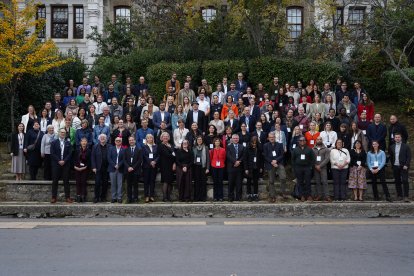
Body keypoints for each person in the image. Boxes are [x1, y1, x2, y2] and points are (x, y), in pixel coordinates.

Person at [50, 128, 73, 203]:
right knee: (55, 181)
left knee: (66, 181)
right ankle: (53, 197)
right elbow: (52, 153)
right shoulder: (54, 142)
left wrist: (64, 161)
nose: (63, 134)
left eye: (64, 133)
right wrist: (59, 161)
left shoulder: (68, 143)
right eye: (61, 132)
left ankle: (68, 197)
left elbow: (70, 154)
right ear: (59, 133)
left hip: (65, 164)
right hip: (56, 164)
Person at [263, 132, 286, 202]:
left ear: (275, 137)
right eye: (270, 137)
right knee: (271, 181)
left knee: (283, 177)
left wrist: (276, 161)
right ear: (268, 138)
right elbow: (265, 155)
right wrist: (272, 162)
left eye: (273, 137)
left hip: (278, 163)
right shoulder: (265, 145)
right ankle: (272, 195)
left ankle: (283, 192)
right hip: (270, 164)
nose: (271, 138)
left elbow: (282, 155)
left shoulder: (279, 145)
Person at [291, 136, 315, 202]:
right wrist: (294, 168)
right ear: (298, 142)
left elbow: (313, 159)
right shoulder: (295, 149)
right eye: (300, 140)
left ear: (305, 141)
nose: (302, 142)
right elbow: (293, 160)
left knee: (308, 182)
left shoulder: (309, 149)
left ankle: (308, 195)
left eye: (303, 140)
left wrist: (310, 167)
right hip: (298, 168)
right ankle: (301, 196)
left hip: (307, 167)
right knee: (300, 182)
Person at [389, 133, 411, 202]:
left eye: (399, 137)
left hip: (403, 166)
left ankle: (406, 196)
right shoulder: (392, 146)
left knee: (405, 180)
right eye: (396, 137)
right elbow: (391, 157)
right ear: (394, 138)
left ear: (401, 138)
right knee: (397, 181)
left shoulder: (406, 146)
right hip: (395, 166)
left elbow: (409, 156)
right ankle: (399, 196)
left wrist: (406, 165)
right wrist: (392, 165)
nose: (397, 138)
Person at [91, 134, 111, 203]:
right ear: (99, 139)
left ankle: (103, 197)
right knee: (97, 183)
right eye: (101, 138)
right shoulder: (95, 147)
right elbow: (93, 158)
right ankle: (96, 197)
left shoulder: (109, 146)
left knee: (105, 183)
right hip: (98, 168)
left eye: (104, 138)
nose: (102, 139)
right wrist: (93, 167)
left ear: (106, 139)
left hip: (106, 168)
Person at [226, 134, 246, 202]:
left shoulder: (242, 147)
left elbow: (243, 156)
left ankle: (238, 197)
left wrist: (239, 162)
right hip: (231, 167)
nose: (235, 139)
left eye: (237, 138)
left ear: (238, 139)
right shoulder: (228, 147)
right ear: (232, 139)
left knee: (239, 183)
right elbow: (228, 155)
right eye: (234, 138)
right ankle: (230, 197)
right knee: (231, 183)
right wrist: (235, 162)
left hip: (239, 167)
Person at [124, 136, 142, 203]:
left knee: (135, 185)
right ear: (128, 141)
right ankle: (129, 198)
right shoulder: (126, 150)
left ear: (135, 141)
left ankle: (135, 198)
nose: (131, 141)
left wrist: (133, 167)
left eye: (132, 140)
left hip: (136, 170)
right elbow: (124, 160)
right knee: (128, 185)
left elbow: (140, 160)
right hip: (128, 170)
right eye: (130, 140)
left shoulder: (139, 150)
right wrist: (128, 167)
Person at [158, 132, 176, 202]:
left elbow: (174, 154)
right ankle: (164, 197)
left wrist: (174, 162)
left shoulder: (171, 145)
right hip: (164, 165)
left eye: (167, 136)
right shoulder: (161, 145)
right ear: (162, 138)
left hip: (171, 165)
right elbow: (167, 155)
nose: (165, 138)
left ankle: (168, 197)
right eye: (164, 137)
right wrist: (173, 155)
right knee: (165, 181)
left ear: (168, 138)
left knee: (170, 181)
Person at [312, 136, 331, 202]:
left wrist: (320, 166)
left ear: (322, 140)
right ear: (316, 140)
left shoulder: (326, 149)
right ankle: (319, 195)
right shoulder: (313, 149)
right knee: (317, 182)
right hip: (315, 168)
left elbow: (327, 159)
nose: (319, 140)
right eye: (318, 139)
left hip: (323, 168)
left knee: (324, 182)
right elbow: (311, 159)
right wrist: (315, 166)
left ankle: (327, 196)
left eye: (320, 139)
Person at [192, 136, 210, 202]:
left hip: (203, 166)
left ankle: (203, 197)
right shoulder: (193, 148)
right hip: (196, 166)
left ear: (202, 140)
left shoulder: (206, 147)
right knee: (196, 182)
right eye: (198, 139)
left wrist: (208, 168)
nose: (199, 140)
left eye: (200, 139)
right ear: (196, 140)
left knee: (203, 182)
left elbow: (208, 158)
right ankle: (196, 197)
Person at [142, 134, 158, 203]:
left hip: (154, 166)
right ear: (146, 139)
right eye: (148, 138)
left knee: (152, 181)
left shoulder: (156, 146)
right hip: (146, 166)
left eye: (151, 138)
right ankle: (146, 196)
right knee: (146, 181)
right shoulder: (144, 146)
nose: (150, 139)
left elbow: (158, 155)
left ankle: (151, 195)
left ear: (152, 139)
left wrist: (154, 161)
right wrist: (150, 162)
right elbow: (144, 156)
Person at [108, 137, 125, 203]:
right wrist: (114, 165)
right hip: (112, 168)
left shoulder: (124, 150)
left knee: (120, 184)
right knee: (113, 184)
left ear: (121, 142)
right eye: (117, 141)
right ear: (115, 142)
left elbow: (124, 159)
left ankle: (119, 197)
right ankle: (113, 197)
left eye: (119, 141)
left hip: (120, 168)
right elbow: (109, 158)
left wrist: (119, 165)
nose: (118, 142)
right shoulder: (111, 149)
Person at [74, 137, 91, 203]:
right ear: (80, 142)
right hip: (77, 168)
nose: (84, 142)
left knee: (83, 182)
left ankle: (83, 196)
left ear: (87, 143)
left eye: (85, 141)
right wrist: (75, 167)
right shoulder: (77, 150)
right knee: (78, 182)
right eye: (82, 141)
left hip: (85, 168)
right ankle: (78, 195)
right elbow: (74, 159)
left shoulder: (89, 150)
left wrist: (85, 167)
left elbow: (89, 161)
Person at [209, 137, 226, 201]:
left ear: (220, 142)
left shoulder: (223, 150)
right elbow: (211, 158)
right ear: (214, 143)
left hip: (221, 167)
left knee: (220, 182)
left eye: (218, 141)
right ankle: (215, 197)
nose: (217, 142)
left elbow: (224, 158)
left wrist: (221, 163)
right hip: (214, 167)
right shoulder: (212, 150)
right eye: (216, 141)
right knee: (215, 182)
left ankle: (221, 196)